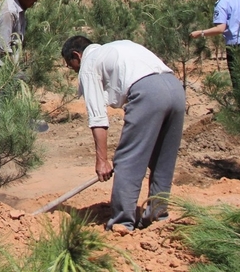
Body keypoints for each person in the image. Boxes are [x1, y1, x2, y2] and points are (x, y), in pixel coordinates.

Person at [61, 36, 185, 232]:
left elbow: (98, 117)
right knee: (163, 160)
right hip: (176, 89)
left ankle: (122, 223)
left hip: (149, 93)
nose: (74, 70)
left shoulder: (89, 63)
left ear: (77, 56)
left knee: (128, 160)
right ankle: (158, 216)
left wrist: (102, 160)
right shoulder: (119, 47)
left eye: (71, 66)